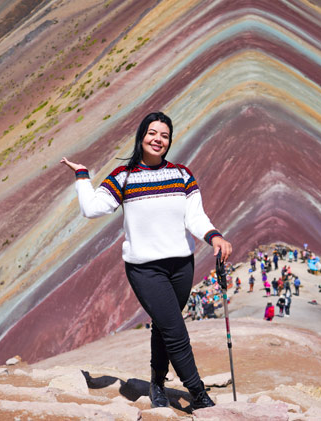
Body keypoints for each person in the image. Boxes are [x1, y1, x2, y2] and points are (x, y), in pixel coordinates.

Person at [61, 112, 232, 411]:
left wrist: (214, 236)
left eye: (164, 136)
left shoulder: (181, 174)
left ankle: (157, 385)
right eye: (152, 133)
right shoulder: (123, 177)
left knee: (164, 328)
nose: (158, 140)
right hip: (145, 269)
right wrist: (83, 175)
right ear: (141, 136)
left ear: (169, 141)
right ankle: (200, 395)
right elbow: (92, 209)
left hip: (181, 266)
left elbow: (195, 216)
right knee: (176, 331)